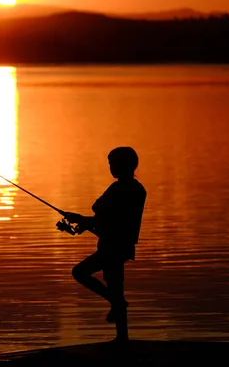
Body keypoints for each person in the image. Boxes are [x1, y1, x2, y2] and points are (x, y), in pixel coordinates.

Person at [61, 147, 146, 342]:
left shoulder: (123, 190)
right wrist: (85, 222)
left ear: (125, 165)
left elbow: (107, 216)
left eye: (113, 163)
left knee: (80, 272)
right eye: (110, 163)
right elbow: (106, 217)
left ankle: (116, 303)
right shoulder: (135, 189)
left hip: (114, 247)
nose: (111, 167)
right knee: (116, 285)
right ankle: (122, 336)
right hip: (119, 246)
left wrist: (85, 220)